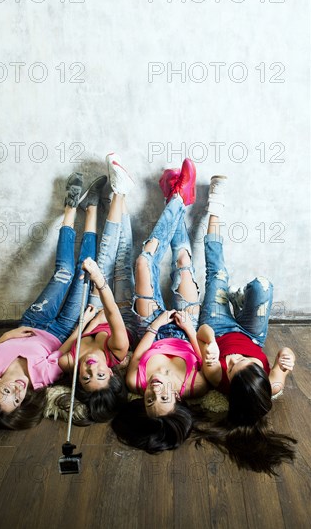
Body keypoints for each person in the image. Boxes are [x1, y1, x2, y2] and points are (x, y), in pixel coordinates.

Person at [0, 168, 108, 437]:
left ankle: (70, 208)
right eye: (18, 399)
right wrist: (82, 325)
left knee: (64, 271)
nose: (18, 391)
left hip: (35, 320)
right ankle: (91, 210)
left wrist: (7, 336)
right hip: (61, 331)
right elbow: (62, 352)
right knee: (84, 274)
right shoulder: (40, 380)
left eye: (7, 391)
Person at [194, 175, 296, 474]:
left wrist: (210, 344)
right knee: (262, 286)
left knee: (218, 274)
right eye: (246, 363)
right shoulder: (271, 382)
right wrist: (286, 356)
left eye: (232, 365)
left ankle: (216, 206)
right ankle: (240, 300)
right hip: (251, 334)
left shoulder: (217, 378)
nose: (235, 359)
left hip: (218, 325)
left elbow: (201, 334)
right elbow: (283, 364)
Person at [112, 159, 208, 454]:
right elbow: (204, 357)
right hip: (183, 327)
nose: (154, 392)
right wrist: (188, 329)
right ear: (177, 400)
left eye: (149, 401)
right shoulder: (195, 387)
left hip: (150, 325)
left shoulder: (135, 381)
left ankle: (178, 197)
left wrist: (156, 325)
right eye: (162, 398)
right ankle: (177, 196)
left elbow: (139, 348)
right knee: (184, 264)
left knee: (142, 262)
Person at [56, 153, 137, 422]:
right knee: (121, 258)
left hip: (94, 311)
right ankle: (119, 192)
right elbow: (112, 314)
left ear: (78, 381)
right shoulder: (117, 352)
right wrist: (98, 313)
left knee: (107, 254)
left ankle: (120, 194)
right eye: (101, 375)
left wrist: (89, 322)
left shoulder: (69, 363)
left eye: (87, 378)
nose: (92, 370)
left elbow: (65, 348)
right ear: (111, 372)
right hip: (120, 307)